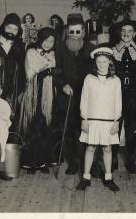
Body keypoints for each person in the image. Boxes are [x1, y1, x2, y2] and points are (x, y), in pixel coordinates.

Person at [56, 13, 96, 175]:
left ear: (83, 32)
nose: (74, 35)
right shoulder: (60, 48)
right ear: (67, 32)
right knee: (68, 131)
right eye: (71, 32)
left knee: (86, 131)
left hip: (87, 97)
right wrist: (62, 84)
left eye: (77, 32)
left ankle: (89, 164)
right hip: (67, 96)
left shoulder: (91, 49)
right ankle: (72, 163)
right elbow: (56, 72)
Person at [76, 47, 121, 192]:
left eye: (105, 61)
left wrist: (116, 121)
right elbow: (84, 99)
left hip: (108, 121)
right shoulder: (89, 78)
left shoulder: (115, 80)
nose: (102, 64)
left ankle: (108, 178)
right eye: (99, 62)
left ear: (109, 62)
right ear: (95, 63)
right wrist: (84, 119)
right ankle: (85, 178)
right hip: (92, 119)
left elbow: (118, 102)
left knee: (107, 149)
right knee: (90, 148)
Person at [19, 27, 61, 174]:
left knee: (45, 127)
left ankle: (43, 161)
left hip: (48, 95)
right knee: (32, 127)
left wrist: (49, 69)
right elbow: (32, 71)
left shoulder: (53, 54)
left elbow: (53, 68)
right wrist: (49, 69)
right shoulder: (31, 52)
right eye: (46, 40)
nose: (48, 44)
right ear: (41, 39)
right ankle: (30, 162)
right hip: (34, 94)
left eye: (51, 41)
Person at [112, 20, 136, 174]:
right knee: (114, 127)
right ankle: (112, 160)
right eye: (123, 31)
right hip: (115, 94)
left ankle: (131, 161)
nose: (126, 34)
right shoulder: (113, 51)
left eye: (130, 31)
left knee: (132, 129)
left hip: (133, 94)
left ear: (134, 34)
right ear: (120, 33)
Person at [0, 13, 26, 133]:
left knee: (11, 119)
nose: (11, 31)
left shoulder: (20, 46)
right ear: (3, 27)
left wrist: (21, 89)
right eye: (9, 28)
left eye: (15, 29)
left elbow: (23, 69)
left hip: (13, 89)